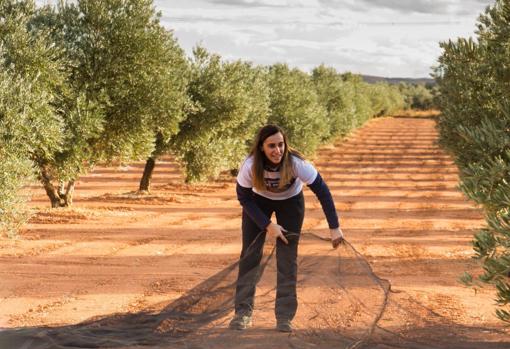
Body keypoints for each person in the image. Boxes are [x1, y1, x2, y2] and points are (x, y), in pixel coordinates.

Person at [229, 124, 344, 333]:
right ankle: (243, 313)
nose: (277, 150)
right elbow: (243, 197)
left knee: (287, 258)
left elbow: (323, 192)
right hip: (258, 202)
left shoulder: (297, 163)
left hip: (291, 204)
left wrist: (334, 227)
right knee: (250, 256)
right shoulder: (250, 165)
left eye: (280, 144)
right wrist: (267, 224)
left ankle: (284, 317)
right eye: (271, 145)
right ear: (262, 147)